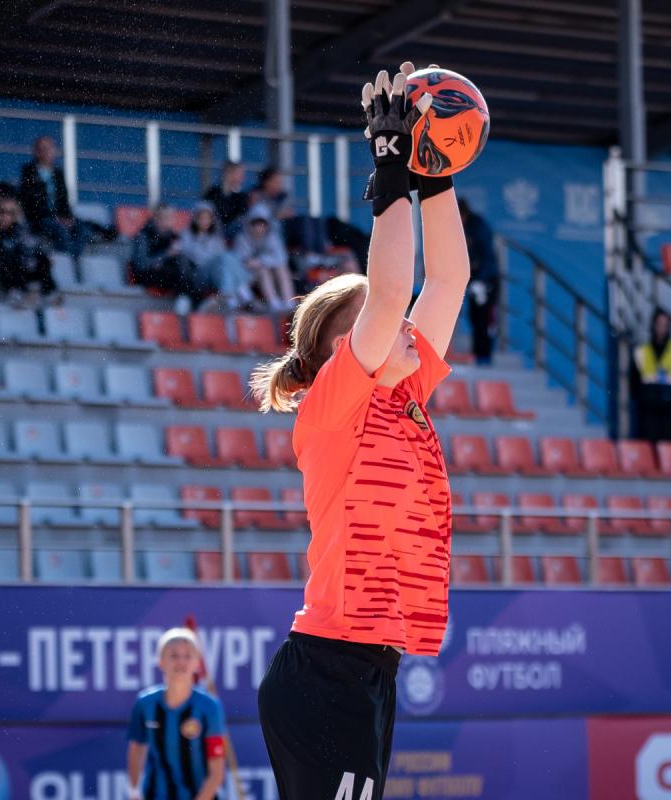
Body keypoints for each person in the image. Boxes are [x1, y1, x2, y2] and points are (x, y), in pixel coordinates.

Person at [252, 62, 464, 800]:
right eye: (385, 318)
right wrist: (390, 164)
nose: (405, 324)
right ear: (347, 348)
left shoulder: (404, 394)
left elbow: (448, 281)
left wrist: (434, 171)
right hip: (328, 669)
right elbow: (396, 289)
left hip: (368, 667)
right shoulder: (334, 402)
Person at [126, 628, 227, 800]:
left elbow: (216, 772)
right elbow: (137, 748)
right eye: (174, 655)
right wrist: (134, 791)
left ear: (197, 663)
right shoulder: (145, 703)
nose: (181, 662)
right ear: (160, 661)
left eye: (188, 656)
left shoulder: (209, 707)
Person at [19, 136, 91, 259]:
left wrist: (67, 217)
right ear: (36, 152)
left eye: (50, 149)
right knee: (60, 230)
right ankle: (67, 261)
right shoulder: (29, 172)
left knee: (82, 228)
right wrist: (55, 218)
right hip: (40, 219)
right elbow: (31, 202)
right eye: (43, 149)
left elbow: (64, 200)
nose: (47, 152)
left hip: (58, 217)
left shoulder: (58, 174)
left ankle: (74, 260)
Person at [0, 193, 60, 307]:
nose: (5, 216)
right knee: (7, 253)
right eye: (1, 212)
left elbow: (39, 252)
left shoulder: (23, 232)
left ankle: (42, 291)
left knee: (38, 257)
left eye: (10, 213)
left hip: (26, 274)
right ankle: (20, 292)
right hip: (3, 276)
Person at [131, 204, 208, 315]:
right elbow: (141, 264)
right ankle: (193, 303)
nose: (168, 221)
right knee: (182, 271)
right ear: (156, 218)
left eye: (170, 217)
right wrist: (165, 255)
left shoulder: (174, 236)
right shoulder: (143, 235)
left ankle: (185, 299)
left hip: (170, 273)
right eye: (165, 217)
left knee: (187, 266)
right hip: (149, 275)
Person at [179, 200, 254, 311]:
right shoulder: (187, 235)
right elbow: (195, 257)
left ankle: (231, 296)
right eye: (201, 218)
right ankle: (242, 290)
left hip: (217, 273)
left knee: (229, 257)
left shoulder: (216, 237)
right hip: (200, 274)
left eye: (207, 218)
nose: (204, 221)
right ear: (195, 219)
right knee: (225, 258)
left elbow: (223, 260)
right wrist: (214, 260)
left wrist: (216, 260)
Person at [629, 308, 671, 443]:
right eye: (659, 324)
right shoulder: (641, 351)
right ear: (653, 325)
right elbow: (633, 384)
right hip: (647, 411)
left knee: (667, 448)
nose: (662, 328)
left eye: (665, 324)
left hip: (670, 411)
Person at [458, 198, 499, 365]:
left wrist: (482, 280)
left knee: (485, 319)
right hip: (474, 280)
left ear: (463, 213)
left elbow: (487, 257)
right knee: (474, 317)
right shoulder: (462, 227)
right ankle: (477, 353)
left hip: (487, 281)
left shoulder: (478, 227)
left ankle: (485, 356)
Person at [233, 204, 294, 313]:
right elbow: (243, 262)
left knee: (282, 269)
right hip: (248, 276)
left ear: (267, 225)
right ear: (250, 224)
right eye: (255, 224)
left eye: (262, 224)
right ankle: (273, 303)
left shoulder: (273, 237)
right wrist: (261, 262)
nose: (259, 228)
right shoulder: (241, 239)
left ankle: (288, 302)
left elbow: (281, 258)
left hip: (270, 271)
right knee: (263, 270)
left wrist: (261, 261)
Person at [203, 161, 251, 240]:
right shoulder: (213, 193)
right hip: (214, 230)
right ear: (228, 173)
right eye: (239, 174)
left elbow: (242, 216)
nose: (242, 177)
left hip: (233, 234)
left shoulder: (241, 196)